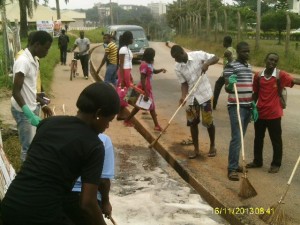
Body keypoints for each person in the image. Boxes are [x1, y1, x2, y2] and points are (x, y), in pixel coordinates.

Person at [1, 82, 120, 225]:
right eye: (109, 120)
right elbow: (87, 203)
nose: (107, 126)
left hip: (10, 206)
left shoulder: (48, 124)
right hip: (40, 216)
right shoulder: (94, 145)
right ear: (98, 114)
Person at [246, 53, 300, 173]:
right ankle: (257, 161)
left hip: (274, 114)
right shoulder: (258, 76)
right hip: (260, 113)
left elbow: (295, 81)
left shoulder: (281, 75)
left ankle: (276, 164)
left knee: (276, 140)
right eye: (271, 59)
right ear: (265, 60)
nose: (273, 62)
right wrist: (252, 107)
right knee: (258, 138)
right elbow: (255, 93)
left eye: (275, 61)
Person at [170, 45, 219, 159]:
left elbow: (216, 57)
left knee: (208, 122)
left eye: (177, 57)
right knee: (192, 123)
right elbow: (184, 83)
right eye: (174, 58)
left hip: (204, 95)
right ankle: (196, 149)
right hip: (191, 97)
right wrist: (183, 96)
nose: (176, 60)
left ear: (182, 52)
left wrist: (207, 63)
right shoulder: (177, 67)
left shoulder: (198, 55)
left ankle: (212, 146)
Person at [11, 30, 53, 162]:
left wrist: (42, 103)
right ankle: (26, 179)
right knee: (27, 148)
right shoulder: (23, 61)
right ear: (36, 45)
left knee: (34, 144)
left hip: (32, 107)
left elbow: (29, 89)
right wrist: (29, 115)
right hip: (23, 111)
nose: (47, 52)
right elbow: (16, 92)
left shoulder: (34, 59)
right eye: (46, 48)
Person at [223, 41, 258, 181]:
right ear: (238, 52)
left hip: (247, 106)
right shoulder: (231, 66)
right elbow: (227, 88)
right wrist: (231, 84)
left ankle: (236, 164)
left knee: (240, 137)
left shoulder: (249, 66)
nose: (247, 54)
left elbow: (249, 87)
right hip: (235, 106)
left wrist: (253, 104)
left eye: (248, 51)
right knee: (236, 137)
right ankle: (231, 168)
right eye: (244, 51)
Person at [64, 133, 115, 224]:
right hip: (90, 199)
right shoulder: (103, 140)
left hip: (61, 196)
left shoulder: (66, 135)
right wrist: (105, 202)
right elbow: (103, 181)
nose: (107, 125)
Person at [123, 48, 166, 131]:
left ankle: (127, 120)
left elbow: (153, 71)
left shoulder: (149, 64)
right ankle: (156, 125)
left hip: (147, 87)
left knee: (138, 106)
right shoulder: (144, 65)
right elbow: (142, 79)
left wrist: (161, 70)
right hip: (144, 87)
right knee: (151, 107)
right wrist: (146, 92)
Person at [213, 36, 237, 110]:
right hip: (234, 72)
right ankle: (234, 104)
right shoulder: (234, 50)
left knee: (218, 85)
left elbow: (228, 59)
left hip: (227, 73)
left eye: (223, 41)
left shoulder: (227, 51)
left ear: (226, 42)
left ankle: (214, 104)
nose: (222, 43)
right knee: (232, 88)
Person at [116, 31, 134, 120]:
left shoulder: (127, 49)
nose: (133, 40)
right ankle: (120, 113)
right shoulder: (123, 49)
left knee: (128, 91)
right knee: (124, 91)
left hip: (127, 71)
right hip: (124, 71)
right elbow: (121, 64)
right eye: (131, 38)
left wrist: (130, 75)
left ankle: (121, 111)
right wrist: (122, 79)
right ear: (128, 39)